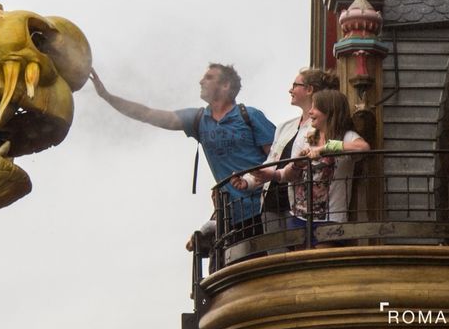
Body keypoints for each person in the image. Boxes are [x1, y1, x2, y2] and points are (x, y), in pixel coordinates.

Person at [90, 63, 275, 241]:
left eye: (209, 78)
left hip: (266, 208)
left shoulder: (249, 115)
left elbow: (279, 154)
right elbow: (148, 114)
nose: (201, 81)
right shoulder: (199, 119)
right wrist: (107, 96)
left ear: (226, 85)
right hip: (231, 216)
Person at [230, 68, 339, 238]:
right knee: (276, 256)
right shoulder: (284, 127)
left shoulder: (322, 126)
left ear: (309, 89)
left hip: (299, 205)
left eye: (295, 85)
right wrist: (248, 181)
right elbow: (271, 161)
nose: (290, 90)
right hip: (271, 203)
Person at [274, 89, 370, 246]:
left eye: (315, 107)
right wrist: (297, 163)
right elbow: (290, 173)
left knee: (320, 264)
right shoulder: (307, 138)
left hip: (330, 220)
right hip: (298, 216)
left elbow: (363, 147)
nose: (310, 112)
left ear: (329, 111)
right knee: (300, 265)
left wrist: (326, 148)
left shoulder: (347, 136)